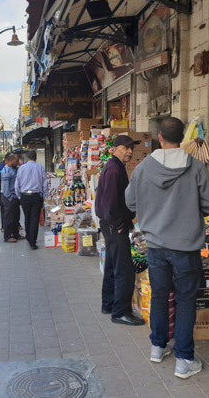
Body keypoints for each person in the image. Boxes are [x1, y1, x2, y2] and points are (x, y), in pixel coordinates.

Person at [125, 117, 209, 378]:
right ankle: (184, 361)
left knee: (159, 295)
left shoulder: (143, 168)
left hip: (155, 245)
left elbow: (129, 201)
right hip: (186, 247)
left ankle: (157, 347)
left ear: (159, 137)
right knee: (186, 300)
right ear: (182, 139)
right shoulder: (196, 168)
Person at [95, 135, 144, 326]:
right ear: (116, 148)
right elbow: (109, 204)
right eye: (126, 148)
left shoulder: (114, 166)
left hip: (110, 225)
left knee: (111, 266)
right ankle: (121, 311)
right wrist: (119, 224)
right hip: (114, 225)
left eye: (132, 148)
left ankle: (108, 304)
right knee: (124, 269)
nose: (130, 152)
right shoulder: (114, 170)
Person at [15, 150, 48, 250]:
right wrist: (43, 197)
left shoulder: (21, 168)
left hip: (24, 196)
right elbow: (45, 184)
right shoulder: (40, 168)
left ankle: (28, 236)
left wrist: (20, 197)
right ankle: (32, 242)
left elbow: (17, 185)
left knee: (27, 217)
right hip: (36, 196)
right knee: (35, 218)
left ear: (27, 158)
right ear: (36, 158)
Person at [0, 153, 24, 243]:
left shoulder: (12, 169)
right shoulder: (6, 171)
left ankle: (16, 234)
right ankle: (7, 236)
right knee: (9, 217)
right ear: (11, 160)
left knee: (15, 217)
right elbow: (6, 189)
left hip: (14, 196)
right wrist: (10, 198)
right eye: (16, 160)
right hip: (9, 197)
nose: (18, 162)